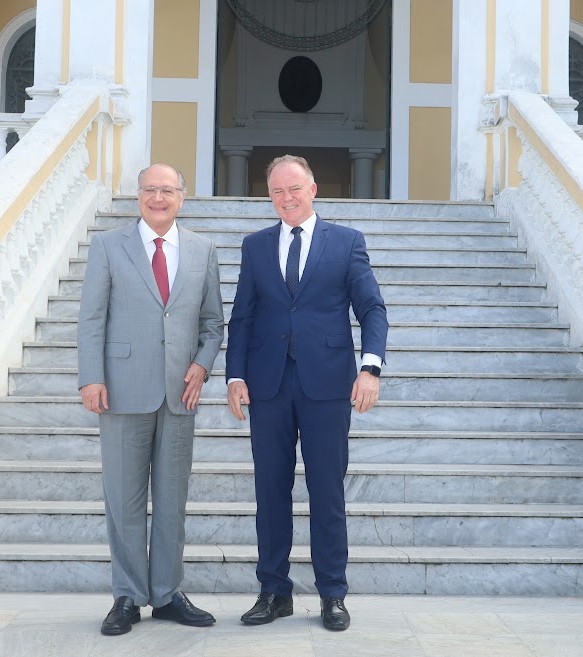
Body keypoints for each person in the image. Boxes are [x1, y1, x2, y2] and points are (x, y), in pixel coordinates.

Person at [226, 154, 388, 631]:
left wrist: (370, 368)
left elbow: (372, 309)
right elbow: (242, 316)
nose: (287, 198)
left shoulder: (346, 242)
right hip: (268, 385)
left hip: (327, 384)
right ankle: (274, 591)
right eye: (277, 191)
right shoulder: (255, 246)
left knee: (326, 491)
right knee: (269, 491)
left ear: (313, 189)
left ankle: (332, 595)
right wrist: (235, 376)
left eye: (294, 188)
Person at [77, 163, 224, 636]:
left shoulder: (203, 249)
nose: (158, 197)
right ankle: (127, 595)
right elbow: (91, 318)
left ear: (182, 196)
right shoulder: (107, 246)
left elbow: (212, 322)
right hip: (121, 387)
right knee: (124, 498)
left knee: (172, 498)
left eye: (167, 190)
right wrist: (90, 377)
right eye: (149, 190)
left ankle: (166, 593)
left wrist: (203, 364)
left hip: (181, 390)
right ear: (138, 196)